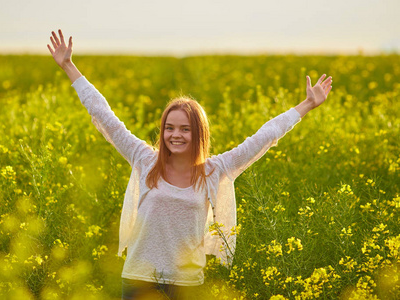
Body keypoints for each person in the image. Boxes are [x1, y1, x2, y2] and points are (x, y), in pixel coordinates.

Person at [47, 29, 332, 300]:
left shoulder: (214, 171)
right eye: (169, 128)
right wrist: (69, 67)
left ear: (199, 133)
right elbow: (104, 116)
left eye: (185, 129)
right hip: (138, 280)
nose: (176, 135)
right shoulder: (145, 160)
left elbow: (263, 138)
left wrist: (306, 105)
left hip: (186, 284)